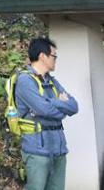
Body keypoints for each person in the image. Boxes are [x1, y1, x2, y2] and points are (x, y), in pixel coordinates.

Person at [15, 37, 78, 190]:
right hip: (37, 151)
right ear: (43, 56)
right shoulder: (25, 81)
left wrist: (53, 103)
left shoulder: (51, 81)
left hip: (59, 149)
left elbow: (74, 106)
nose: (55, 60)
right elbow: (45, 110)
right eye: (54, 56)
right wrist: (60, 104)